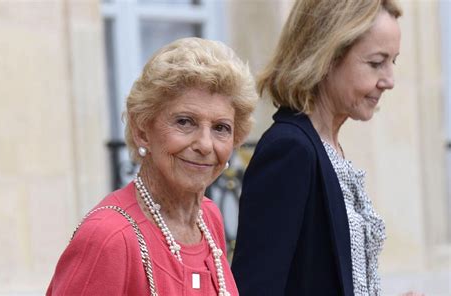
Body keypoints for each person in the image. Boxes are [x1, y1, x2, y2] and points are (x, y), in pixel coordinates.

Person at [47, 37, 258, 296]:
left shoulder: (207, 217)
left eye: (220, 128)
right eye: (184, 122)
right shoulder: (109, 238)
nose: (205, 144)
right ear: (142, 131)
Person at [231, 0, 408, 295]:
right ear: (325, 57)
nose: (389, 80)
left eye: (394, 61)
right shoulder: (290, 149)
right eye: (377, 62)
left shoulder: (327, 146)